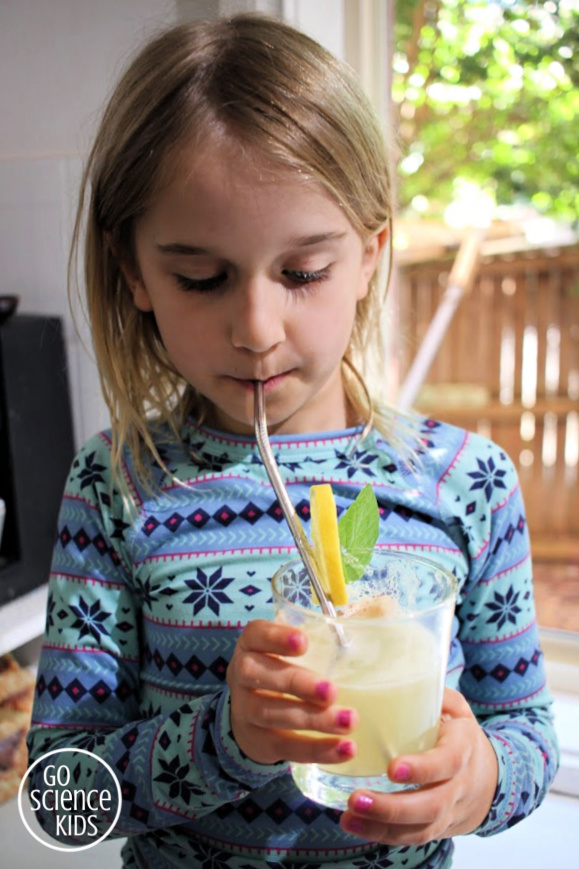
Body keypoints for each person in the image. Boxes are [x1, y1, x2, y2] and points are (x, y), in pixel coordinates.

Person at [27, 13, 559, 869]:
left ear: (368, 253)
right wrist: (225, 737)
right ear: (133, 273)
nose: (256, 328)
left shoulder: (466, 481)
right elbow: (61, 801)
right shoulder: (118, 485)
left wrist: (479, 777)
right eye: (201, 277)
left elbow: (529, 737)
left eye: (303, 272)